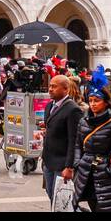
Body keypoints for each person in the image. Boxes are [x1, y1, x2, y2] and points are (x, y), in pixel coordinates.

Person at [70, 86, 111, 213]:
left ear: (105, 102)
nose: (93, 104)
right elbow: (78, 145)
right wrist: (77, 164)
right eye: (90, 100)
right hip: (86, 174)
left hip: (107, 178)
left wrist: (110, 170)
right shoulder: (83, 122)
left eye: (96, 100)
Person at [40, 73, 80, 203]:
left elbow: (74, 140)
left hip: (62, 163)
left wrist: (69, 166)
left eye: (54, 86)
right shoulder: (49, 106)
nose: (50, 89)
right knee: (51, 194)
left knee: (61, 200)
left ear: (65, 89)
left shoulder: (73, 109)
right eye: (50, 86)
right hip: (48, 161)